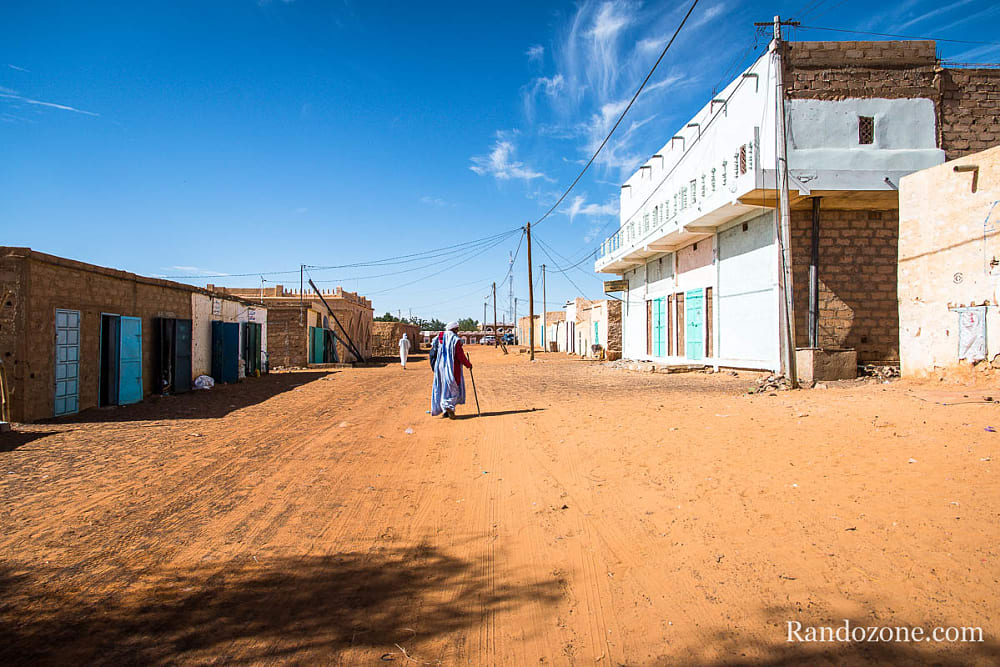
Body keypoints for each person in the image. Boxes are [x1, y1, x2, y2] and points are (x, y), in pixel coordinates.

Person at [430, 321, 472, 419]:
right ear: (454, 329)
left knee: (443, 388)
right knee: (453, 387)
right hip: (452, 367)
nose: (458, 331)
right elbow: (460, 355)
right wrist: (468, 364)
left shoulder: (439, 337)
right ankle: (448, 406)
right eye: (457, 329)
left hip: (440, 367)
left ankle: (445, 411)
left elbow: (432, 351)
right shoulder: (455, 339)